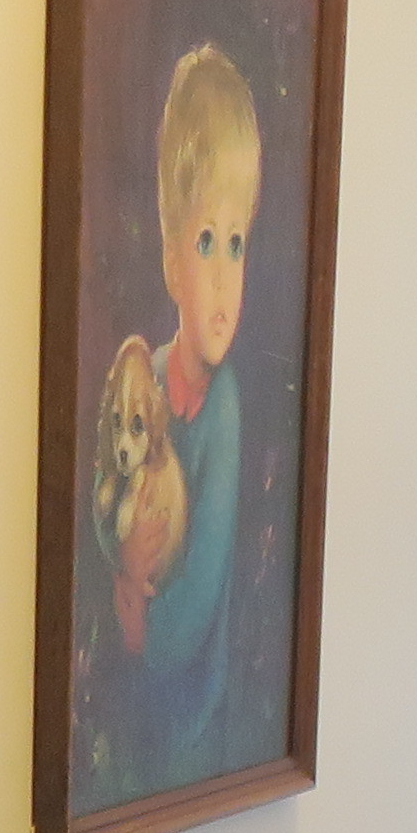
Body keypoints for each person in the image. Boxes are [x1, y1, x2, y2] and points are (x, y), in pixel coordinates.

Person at [109, 43, 261, 775]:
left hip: (193, 716)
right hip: (138, 696)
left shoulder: (222, 409)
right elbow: (110, 485)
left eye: (237, 243)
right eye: (206, 243)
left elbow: (199, 592)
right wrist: (121, 561)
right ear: (172, 264)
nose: (226, 277)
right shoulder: (151, 374)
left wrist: (140, 625)